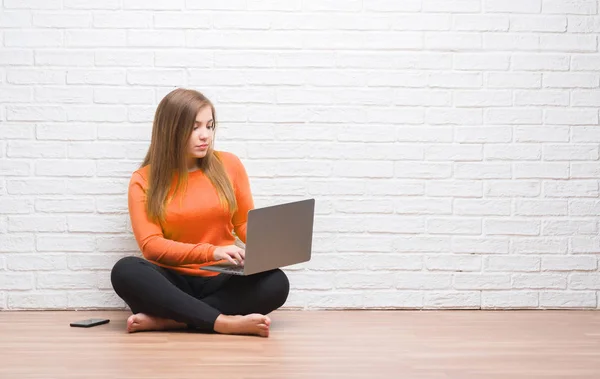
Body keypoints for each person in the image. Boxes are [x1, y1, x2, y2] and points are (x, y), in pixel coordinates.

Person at [110, 88, 289, 337]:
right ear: (170, 129)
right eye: (195, 127)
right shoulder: (143, 180)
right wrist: (212, 250)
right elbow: (151, 246)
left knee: (277, 282)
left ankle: (173, 321)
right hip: (171, 282)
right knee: (126, 270)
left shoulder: (230, 164)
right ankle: (224, 322)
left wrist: (269, 246)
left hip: (221, 277)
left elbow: (244, 223)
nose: (205, 135)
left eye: (209, 126)